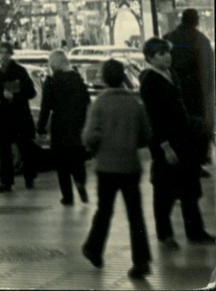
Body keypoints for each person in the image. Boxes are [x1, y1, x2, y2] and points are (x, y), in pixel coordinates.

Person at [139, 36, 214, 248]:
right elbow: (154, 118)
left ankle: (195, 231)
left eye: (167, 53)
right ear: (150, 58)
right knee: (164, 191)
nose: (167, 57)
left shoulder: (171, 75)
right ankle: (165, 234)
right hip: (167, 144)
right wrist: (164, 146)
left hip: (183, 140)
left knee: (190, 186)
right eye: (161, 54)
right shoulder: (150, 82)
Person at [82, 59, 152, 279]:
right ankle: (141, 261)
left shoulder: (99, 104)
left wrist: (96, 146)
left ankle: (94, 248)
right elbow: (146, 136)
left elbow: (89, 136)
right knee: (135, 215)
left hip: (106, 167)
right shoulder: (134, 103)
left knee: (104, 211)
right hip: (130, 166)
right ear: (123, 77)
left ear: (104, 78)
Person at [38, 49, 91, 205]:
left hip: (59, 126)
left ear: (53, 65)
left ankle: (67, 197)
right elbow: (86, 101)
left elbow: (46, 107)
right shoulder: (77, 79)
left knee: (62, 164)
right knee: (77, 158)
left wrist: (41, 127)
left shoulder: (51, 82)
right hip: (77, 125)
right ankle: (80, 181)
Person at [0, 41, 38, 193]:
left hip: (20, 113)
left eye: (6, 53)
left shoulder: (20, 71)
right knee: (4, 148)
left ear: (11, 54)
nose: (3, 56)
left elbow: (31, 92)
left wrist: (16, 93)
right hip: (5, 115)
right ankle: (6, 182)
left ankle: (29, 177)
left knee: (25, 146)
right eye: (1, 53)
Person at [165, 9, 215, 162]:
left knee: (177, 124)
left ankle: (182, 157)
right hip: (196, 92)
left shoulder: (169, 38)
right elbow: (208, 69)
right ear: (196, 21)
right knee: (197, 126)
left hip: (174, 90)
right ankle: (198, 159)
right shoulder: (202, 40)